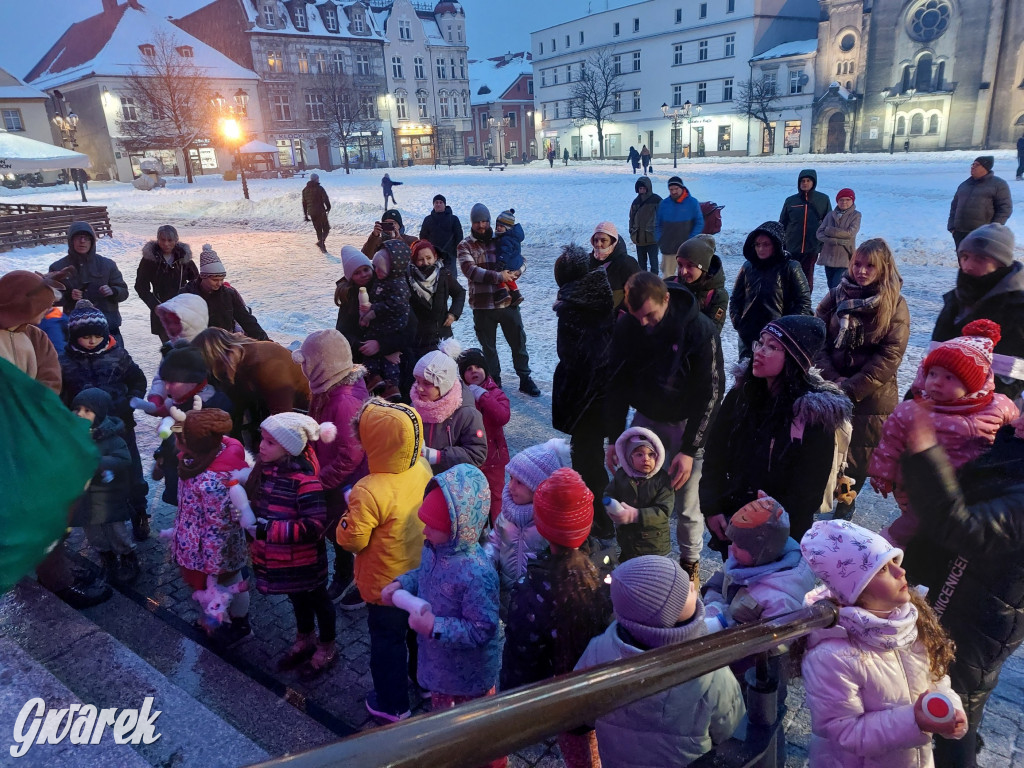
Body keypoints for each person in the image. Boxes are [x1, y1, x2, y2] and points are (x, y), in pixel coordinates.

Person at [900, 403, 1024, 767]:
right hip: (965, 585)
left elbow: (964, 528)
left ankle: (960, 757)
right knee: (949, 683)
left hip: (989, 612)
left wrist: (924, 451)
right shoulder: (1011, 443)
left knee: (960, 698)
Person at [799, 519, 967, 767]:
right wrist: (915, 722)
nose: (901, 572)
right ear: (855, 589)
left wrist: (949, 706)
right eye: (882, 569)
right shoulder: (832, 655)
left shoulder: (911, 624)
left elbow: (937, 680)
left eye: (894, 562)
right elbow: (844, 732)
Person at [384, 464, 504, 768]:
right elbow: (424, 576)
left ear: (457, 526)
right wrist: (402, 583)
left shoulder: (477, 573)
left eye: (431, 525)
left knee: (479, 735)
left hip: (470, 678)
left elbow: (482, 629)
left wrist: (434, 626)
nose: (424, 531)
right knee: (445, 731)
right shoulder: (433, 548)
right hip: (440, 668)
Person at [606, 272, 723, 579]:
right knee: (635, 490)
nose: (643, 324)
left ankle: (690, 562)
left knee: (686, 503)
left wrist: (690, 448)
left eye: (650, 316)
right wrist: (613, 437)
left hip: (685, 422)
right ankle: (636, 555)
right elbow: (616, 383)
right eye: (637, 317)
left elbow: (711, 393)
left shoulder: (700, 329)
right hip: (646, 417)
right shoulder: (629, 324)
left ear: (666, 300)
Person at [575, 556, 744, 767]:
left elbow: (582, 709)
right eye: (685, 590)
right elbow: (731, 725)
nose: (692, 584)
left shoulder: (598, 649)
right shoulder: (708, 669)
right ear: (667, 618)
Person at [701, 315, 851, 550]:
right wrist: (711, 507)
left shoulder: (812, 414)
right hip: (732, 521)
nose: (759, 351)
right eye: (760, 342)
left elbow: (808, 492)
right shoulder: (741, 395)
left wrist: (764, 528)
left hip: (781, 536)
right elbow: (714, 454)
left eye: (772, 347)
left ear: (794, 359)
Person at [870, 320, 1018, 545]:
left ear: (973, 384)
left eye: (949, 378)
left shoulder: (999, 407)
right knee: (912, 524)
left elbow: (1014, 429)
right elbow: (890, 444)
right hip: (925, 485)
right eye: (933, 374)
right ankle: (885, 548)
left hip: (975, 487)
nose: (937, 383)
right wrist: (883, 475)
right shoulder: (913, 410)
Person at [502, 468, 613, 766]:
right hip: (604, 693)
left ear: (541, 523)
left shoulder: (533, 590)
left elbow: (521, 655)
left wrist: (512, 701)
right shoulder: (602, 572)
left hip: (566, 702)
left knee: (582, 754)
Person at [337, 398, 433, 723]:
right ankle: (426, 684)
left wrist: (346, 513)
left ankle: (392, 704)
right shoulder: (421, 467)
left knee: (387, 645)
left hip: (385, 587)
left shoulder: (368, 489)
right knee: (418, 635)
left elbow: (353, 540)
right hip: (419, 575)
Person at [815, 238, 909, 520]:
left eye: (870, 266)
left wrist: (852, 386)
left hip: (870, 397)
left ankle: (845, 505)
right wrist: (832, 377)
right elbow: (818, 335)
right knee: (824, 449)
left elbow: (890, 356)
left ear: (883, 269)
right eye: (857, 264)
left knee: (856, 456)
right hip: (831, 387)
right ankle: (816, 497)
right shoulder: (836, 294)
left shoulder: (894, 305)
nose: (862, 271)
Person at [245, 413, 336, 678]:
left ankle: (327, 646)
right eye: (263, 439)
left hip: (306, 561)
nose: (261, 446)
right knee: (297, 598)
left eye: (270, 442)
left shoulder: (305, 482)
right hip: (284, 559)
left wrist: (268, 529)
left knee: (319, 601)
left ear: (289, 448)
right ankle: (305, 638)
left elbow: (315, 526)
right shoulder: (268, 472)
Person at [59, 300, 150, 540]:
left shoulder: (118, 354)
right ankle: (98, 521)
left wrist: (131, 402)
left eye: (96, 336)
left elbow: (138, 380)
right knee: (94, 475)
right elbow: (61, 394)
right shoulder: (64, 361)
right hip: (85, 430)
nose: (91, 341)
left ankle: (138, 512)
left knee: (130, 471)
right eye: (85, 336)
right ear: (74, 336)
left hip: (120, 425)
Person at [292, 330, 369, 608]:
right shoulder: (328, 391)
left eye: (307, 363)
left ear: (323, 365)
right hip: (331, 479)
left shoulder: (343, 401)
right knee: (337, 528)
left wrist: (320, 481)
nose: (303, 369)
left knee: (346, 530)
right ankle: (346, 570)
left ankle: (353, 576)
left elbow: (351, 454)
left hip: (345, 484)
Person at [168, 407, 252, 646]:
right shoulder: (199, 459)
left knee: (231, 584)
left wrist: (214, 563)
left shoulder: (212, 480)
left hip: (214, 551)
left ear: (193, 445)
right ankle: (218, 619)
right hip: (196, 543)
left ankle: (239, 625)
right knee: (217, 586)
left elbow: (220, 526)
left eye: (180, 437)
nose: (175, 440)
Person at [551, 245, 615, 521]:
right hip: (601, 391)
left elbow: (571, 356)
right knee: (591, 456)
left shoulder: (573, 307)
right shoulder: (599, 294)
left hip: (584, 394)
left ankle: (593, 517)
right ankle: (596, 514)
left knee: (586, 459)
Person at [931, 223, 1024, 400]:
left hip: (987, 415)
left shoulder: (1017, 309)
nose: (968, 265)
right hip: (938, 405)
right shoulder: (954, 301)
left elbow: (1017, 375)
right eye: (964, 257)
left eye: (980, 259)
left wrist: (974, 408)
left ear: (1001, 263)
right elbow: (933, 358)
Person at [457, 203, 540, 397]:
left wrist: (517, 272)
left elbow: (521, 259)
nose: (482, 225)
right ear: (472, 223)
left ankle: (524, 378)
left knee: (518, 342)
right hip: (482, 306)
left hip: (507, 303)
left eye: (485, 220)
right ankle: (494, 381)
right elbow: (471, 271)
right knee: (489, 348)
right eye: (477, 221)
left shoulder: (501, 239)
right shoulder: (465, 245)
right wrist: (499, 277)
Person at [484, 438, 571, 617]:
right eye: (511, 478)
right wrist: (486, 562)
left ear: (539, 488)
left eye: (520, 482)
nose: (511, 487)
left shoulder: (548, 524)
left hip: (538, 597)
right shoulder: (507, 514)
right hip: (507, 591)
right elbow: (495, 541)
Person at [702, 493, 814, 631]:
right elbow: (726, 575)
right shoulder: (749, 559)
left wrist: (723, 623)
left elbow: (772, 645)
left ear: (763, 552)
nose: (732, 548)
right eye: (733, 541)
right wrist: (713, 597)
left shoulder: (780, 601)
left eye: (740, 545)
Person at [147, 343, 234, 507]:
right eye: (165, 381)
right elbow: (175, 432)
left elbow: (212, 451)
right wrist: (162, 455)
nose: (166, 388)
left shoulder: (214, 408)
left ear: (192, 381)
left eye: (172, 382)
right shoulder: (182, 400)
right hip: (180, 477)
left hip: (201, 489)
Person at [191, 327, 311, 444]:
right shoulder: (235, 361)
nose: (209, 372)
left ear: (216, 359)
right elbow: (236, 407)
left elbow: (283, 420)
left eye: (208, 366)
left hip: (306, 409)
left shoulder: (265, 364)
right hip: (275, 407)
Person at [69, 388, 140, 585]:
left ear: (99, 414)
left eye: (87, 411)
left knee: (116, 530)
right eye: (77, 410)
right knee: (94, 532)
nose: (80, 415)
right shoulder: (71, 435)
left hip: (106, 494)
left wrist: (96, 461)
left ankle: (127, 556)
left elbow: (124, 459)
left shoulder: (112, 438)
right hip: (83, 496)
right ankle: (106, 558)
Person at [729, 220, 812, 359]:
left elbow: (803, 302)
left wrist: (786, 330)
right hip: (748, 336)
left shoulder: (790, 267)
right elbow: (736, 299)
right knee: (745, 377)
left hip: (778, 338)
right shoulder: (747, 267)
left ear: (776, 245)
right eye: (757, 244)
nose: (761, 249)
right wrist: (738, 323)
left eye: (766, 244)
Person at [410, 341, 488, 473]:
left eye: (427, 383)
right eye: (417, 381)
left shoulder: (466, 414)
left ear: (444, 386)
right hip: (419, 477)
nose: (419, 388)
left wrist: (439, 456)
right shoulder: (416, 405)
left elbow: (477, 453)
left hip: (450, 483)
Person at [49, 222, 129, 347]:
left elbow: (124, 292)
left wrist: (113, 291)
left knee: (117, 364)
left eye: (86, 238)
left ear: (92, 241)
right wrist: (69, 296)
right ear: (71, 241)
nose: (82, 241)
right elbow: (51, 302)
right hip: (75, 331)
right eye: (78, 237)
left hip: (108, 328)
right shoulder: (58, 267)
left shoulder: (107, 265)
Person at [603, 427, 674, 562]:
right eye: (639, 455)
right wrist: (611, 505)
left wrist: (635, 515)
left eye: (651, 454)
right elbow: (609, 492)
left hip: (653, 544)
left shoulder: (662, 480)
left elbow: (664, 511)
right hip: (628, 540)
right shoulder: (622, 475)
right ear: (629, 458)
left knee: (650, 575)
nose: (646, 459)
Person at [458, 347, 510, 524]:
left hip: (494, 457)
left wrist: (484, 397)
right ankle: (478, 532)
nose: (473, 371)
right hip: (471, 457)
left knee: (497, 497)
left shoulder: (495, 393)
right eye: (468, 369)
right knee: (475, 497)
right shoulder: (461, 396)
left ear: (485, 371)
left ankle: (499, 533)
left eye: (477, 367)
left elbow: (502, 416)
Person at [407, 239, 465, 394]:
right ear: (414, 260)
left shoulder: (444, 275)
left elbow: (460, 293)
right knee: (422, 381)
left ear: (435, 257)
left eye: (428, 258)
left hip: (442, 337)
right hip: (419, 339)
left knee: (444, 380)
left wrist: (453, 313)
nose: (425, 262)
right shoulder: (408, 278)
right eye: (420, 259)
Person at [360, 239, 412, 399]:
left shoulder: (399, 284)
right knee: (370, 354)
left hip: (392, 328)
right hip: (379, 329)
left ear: (393, 267)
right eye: (374, 267)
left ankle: (391, 384)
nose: (375, 272)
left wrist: (373, 310)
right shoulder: (381, 281)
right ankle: (373, 376)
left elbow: (395, 305)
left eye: (379, 269)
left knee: (391, 363)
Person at [182, 245, 269, 341]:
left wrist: (265, 340)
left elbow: (246, 320)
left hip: (224, 342)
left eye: (222, 279)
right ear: (203, 276)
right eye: (215, 280)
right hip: (197, 342)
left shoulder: (229, 294)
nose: (219, 283)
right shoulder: (187, 294)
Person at [135, 225, 198, 342]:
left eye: (170, 240)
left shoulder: (183, 258)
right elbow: (140, 286)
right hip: (161, 311)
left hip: (183, 311)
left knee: (187, 348)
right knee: (170, 349)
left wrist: (189, 301)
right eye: (162, 240)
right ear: (158, 240)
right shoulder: (149, 260)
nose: (166, 244)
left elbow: (196, 282)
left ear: (176, 240)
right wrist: (155, 305)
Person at [779, 169, 831, 292]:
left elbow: (828, 222)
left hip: (812, 246)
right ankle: (790, 302)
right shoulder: (791, 200)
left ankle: (805, 303)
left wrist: (822, 242)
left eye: (808, 181)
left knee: (807, 276)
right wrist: (782, 241)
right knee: (790, 274)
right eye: (802, 181)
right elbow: (783, 222)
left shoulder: (823, 199)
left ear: (813, 182)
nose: (805, 183)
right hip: (792, 245)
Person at [947, 157, 1012, 249]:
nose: (973, 167)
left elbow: (1005, 209)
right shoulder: (964, 185)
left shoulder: (998, 185)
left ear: (985, 167)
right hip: (960, 233)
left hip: (982, 234)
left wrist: (992, 230)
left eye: (977, 165)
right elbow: (954, 206)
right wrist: (952, 227)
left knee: (978, 261)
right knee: (963, 261)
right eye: (972, 164)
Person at [669, 234, 728, 333]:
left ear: (703, 267)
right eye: (680, 265)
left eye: (690, 266)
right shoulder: (670, 284)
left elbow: (712, 332)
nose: (683, 272)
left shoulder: (717, 296)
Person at [654, 176, 704, 279]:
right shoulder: (664, 204)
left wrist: (691, 240)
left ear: (682, 188)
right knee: (668, 277)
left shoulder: (692, 203)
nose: (674, 192)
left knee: (687, 275)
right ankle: (670, 294)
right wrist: (660, 240)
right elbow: (657, 224)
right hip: (668, 248)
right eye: (671, 189)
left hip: (686, 248)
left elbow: (699, 223)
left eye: (676, 189)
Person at [816, 188, 862, 291]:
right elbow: (819, 234)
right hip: (828, 257)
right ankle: (835, 306)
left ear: (852, 201)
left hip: (844, 257)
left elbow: (850, 233)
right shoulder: (830, 215)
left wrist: (829, 231)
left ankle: (838, 306)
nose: (844, 202)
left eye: (847, 200)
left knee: (837, 287)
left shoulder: (856, 215)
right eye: (841, 200)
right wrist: (835, 241)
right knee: (831, 286)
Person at [589, 221, 640, 310]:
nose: (598, 244)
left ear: (613, 241)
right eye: (596, 240)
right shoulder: (588, 261)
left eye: (603, 240)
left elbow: (638, 294)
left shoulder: (627, 263)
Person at [419, 194, 464, 273]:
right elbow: (423, 237)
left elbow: (459, 236)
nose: (438, 204)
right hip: (432, 255)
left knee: (451, 279)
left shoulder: (453, 219)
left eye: (441, 202)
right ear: (433, 205)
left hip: (449, 255)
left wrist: (455, 252)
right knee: (432, 278)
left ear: (445, 204)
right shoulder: (428, 219)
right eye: (436, 202)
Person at [629, 176, 662, 274]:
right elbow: (631, 218)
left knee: (654, 263)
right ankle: (643, 282)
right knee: (641, 264)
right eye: (640, 188)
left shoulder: (657, 200)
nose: (642, 190)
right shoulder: (635, 202)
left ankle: (654, 282)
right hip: (639, 238)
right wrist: (631, 230)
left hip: (652, 238)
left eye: (643, 188)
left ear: (648, 188)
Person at [301, 173, 332, 253]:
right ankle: (321, 242)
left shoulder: (305, 190)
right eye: (318, 178)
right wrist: (328, 207)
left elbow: (304, 203)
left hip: (311, 213)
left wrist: (306, 215)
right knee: (326, 228)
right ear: (316, 179)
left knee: (318, 229)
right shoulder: (319, 188)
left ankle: (322, 247)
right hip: (320, 211)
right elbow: (325, 198)